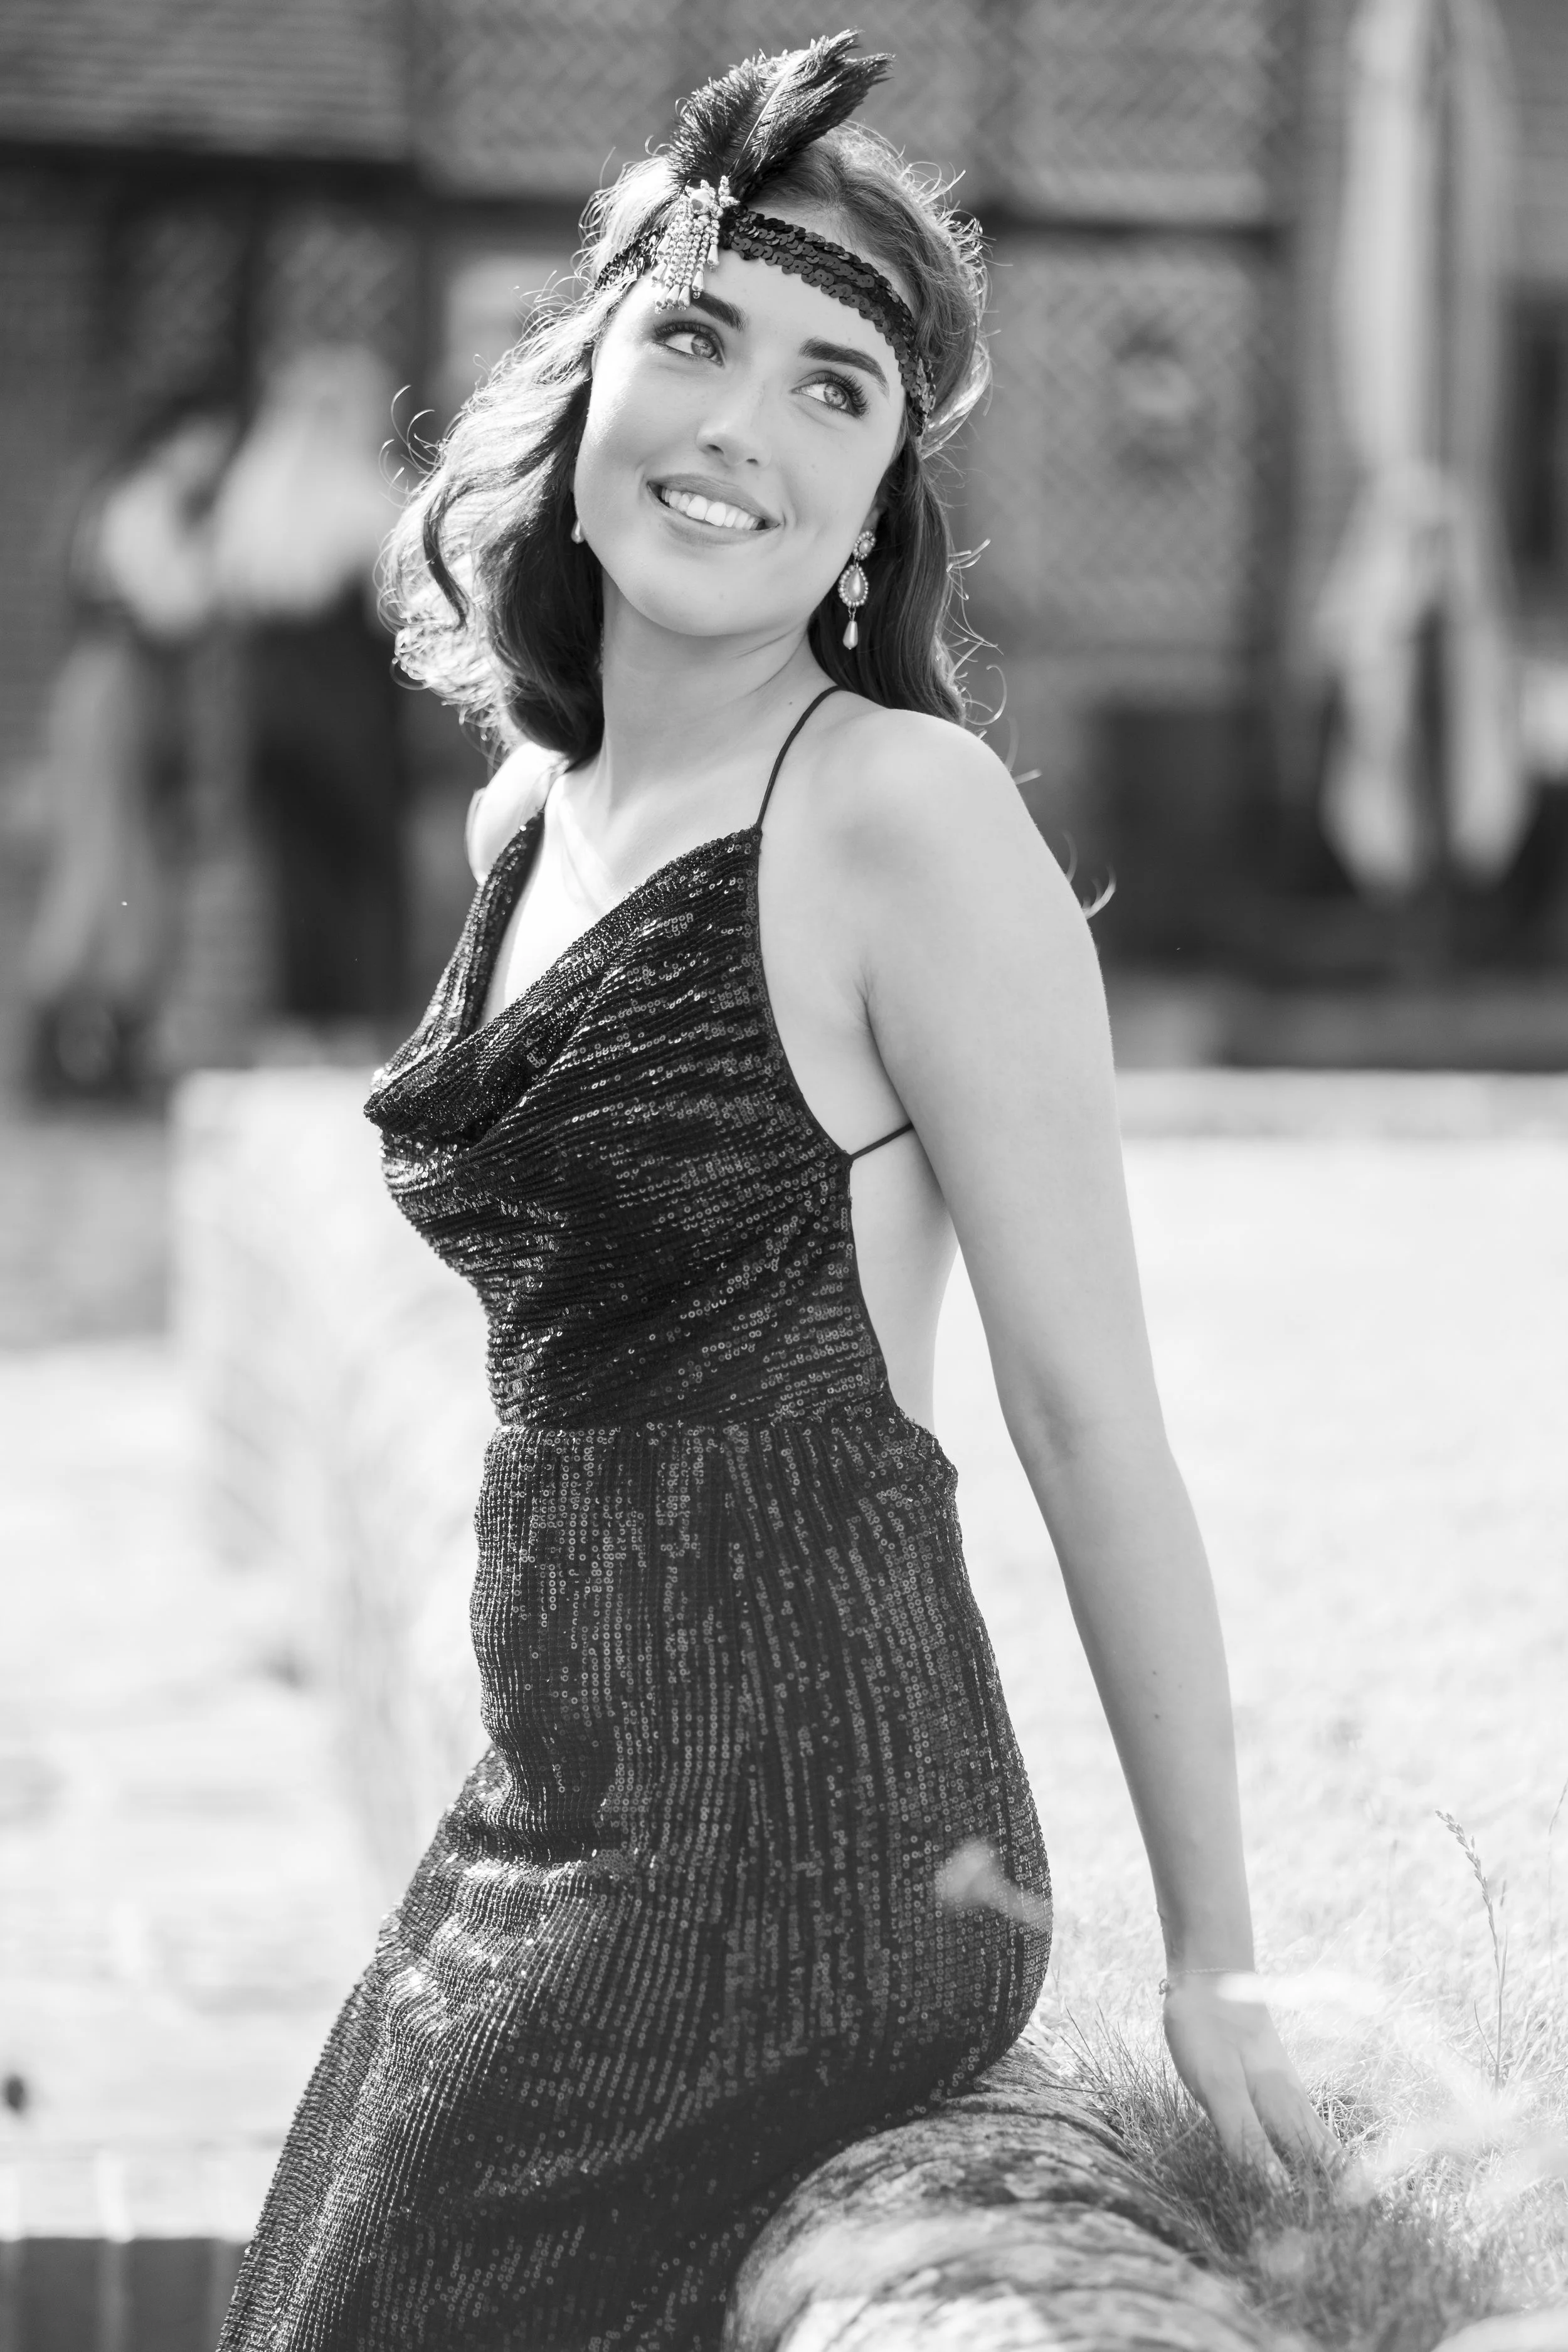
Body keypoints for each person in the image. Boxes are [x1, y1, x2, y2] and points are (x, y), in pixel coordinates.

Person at [218, 36, 1335, 2351]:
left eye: (835, 393)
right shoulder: (520, 818)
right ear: (591, 361)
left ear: (876, 514)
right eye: (698, 335)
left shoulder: (899, 817)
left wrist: (1214, 1945)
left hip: (814, 1831)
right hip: (565, 1799)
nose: (740, 426)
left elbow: (1082, 1404)